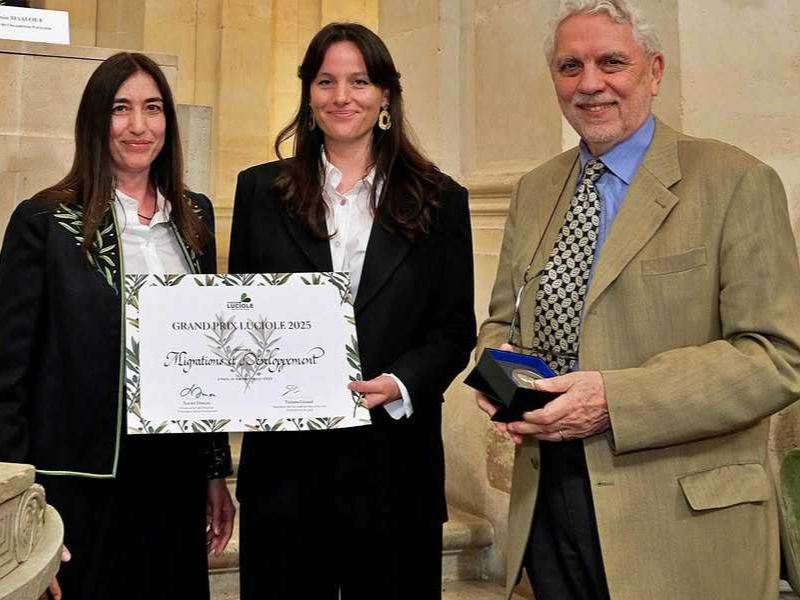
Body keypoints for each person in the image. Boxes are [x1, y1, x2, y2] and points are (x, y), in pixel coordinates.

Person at [475, 1, 800, 599]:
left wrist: (615, 400)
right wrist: (500, 375)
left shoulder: (735, 181)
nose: (590, 83)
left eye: (611, 62)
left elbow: (777, 357)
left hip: (680, 524)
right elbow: (503, 317)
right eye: (570, 66)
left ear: (654, 72)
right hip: (548, 504)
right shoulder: (534, 190)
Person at [229, 22, 476, 600]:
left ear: (386, 94)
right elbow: (240, 315)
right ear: (308, 94)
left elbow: (453, 327)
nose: (343, 97)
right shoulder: (259, 193)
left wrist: (399, 382)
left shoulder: (441, 200)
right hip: (285, 472)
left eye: (360, 81)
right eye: (327, 81)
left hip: (394, 467)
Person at [0, 52, 235, 599]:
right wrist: (16, 509)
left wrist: (213, 471)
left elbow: (210, 355)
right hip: (79, 481)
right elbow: (6, 374)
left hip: (172, 479)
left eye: (152, 109)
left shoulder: (195, 218)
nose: (138, 126)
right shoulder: (43, 221)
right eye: (120, 108)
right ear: (94, 121)